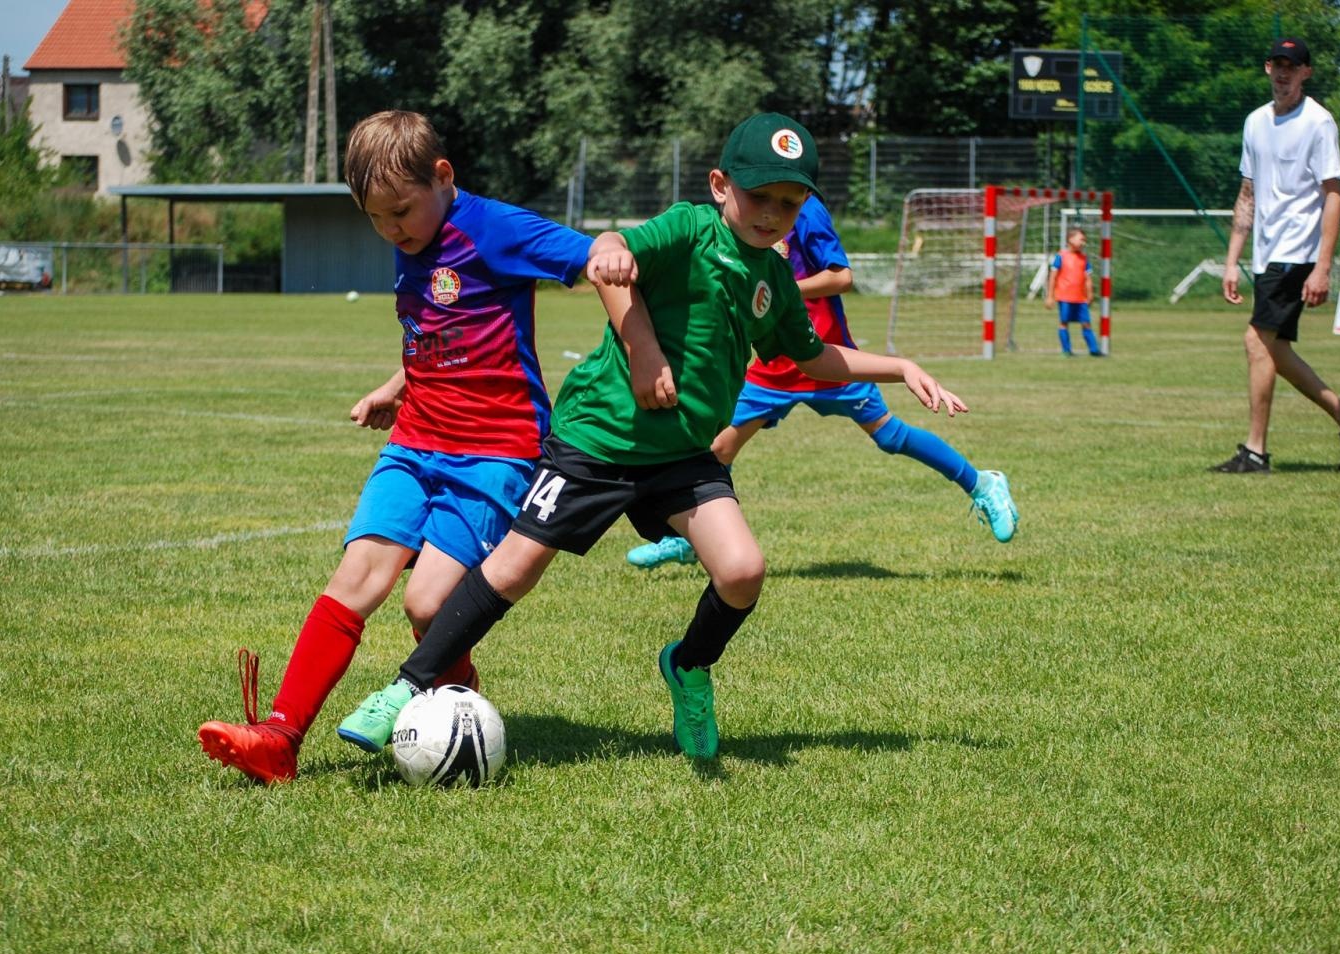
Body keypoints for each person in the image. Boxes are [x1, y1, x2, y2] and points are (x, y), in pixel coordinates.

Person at [336, 112, 967, 763]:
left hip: (682, 455)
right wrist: (638, 337)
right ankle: (405, 686)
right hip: (597, 440)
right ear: (721, 185)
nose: (773, 213)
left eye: (789, 202)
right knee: (515, 567)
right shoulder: (690, 228)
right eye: (759, 196)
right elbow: (613, 254)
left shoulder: (774, 280)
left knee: (743, 570)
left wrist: (902, 367)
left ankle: (689, 666)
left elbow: (817, 359)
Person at [197, 110, 594, 783]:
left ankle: (457, 701)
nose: (392, 230)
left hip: (495, 452)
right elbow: (441, 333)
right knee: (358, 578)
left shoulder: (494, 228)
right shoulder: (411, 237)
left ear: (443, 177)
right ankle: (280, 738)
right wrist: (396, 384)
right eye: (375, 218)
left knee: (428, 605)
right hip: (415, 442)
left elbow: (595, 260)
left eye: (401, 212)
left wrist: (632, 317)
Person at [625, 193, 1018, 570]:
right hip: (773, 359)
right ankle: (691, 536)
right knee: (719, 448)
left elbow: (841, 276)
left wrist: (782, 291)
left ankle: (983, 483)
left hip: (824, 351)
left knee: (890, 435)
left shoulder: (805, 211)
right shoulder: (744, 215)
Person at [1214, 36, 1340, 475]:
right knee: (1276, 351)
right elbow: (1247, 193)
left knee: (1257, 342)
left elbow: (1334, 196)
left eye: (1292, 66)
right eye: (1276, 64)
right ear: (1268, 69)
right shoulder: (1254, 123)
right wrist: (1232, 259)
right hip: (1266, 255)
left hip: (1298, 250)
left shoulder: (1319, 122)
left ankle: (1254, 452)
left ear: (1306, 72)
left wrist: (1322, 267)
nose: (1283, 73)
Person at [1044, 226, 1102, 357]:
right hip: (1064, 297)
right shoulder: (1061, 257)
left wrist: (1090, 293)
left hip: (1080, 298)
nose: (1083, 243)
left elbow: (1088, 278)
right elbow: (1053, 277)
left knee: (1086, 323)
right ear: (1070, 239)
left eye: (1084, 240)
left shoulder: (1084, 258)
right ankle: (1066, 350)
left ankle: (1094, 350)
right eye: (1081, 239)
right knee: (1064, 322)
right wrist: (1050, 296)